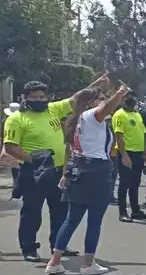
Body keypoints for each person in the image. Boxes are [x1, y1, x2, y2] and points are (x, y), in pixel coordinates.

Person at [3, 79, 98, 261]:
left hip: (57, 171)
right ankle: (29, 248)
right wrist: (34, 159)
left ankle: (58, 244)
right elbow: (10, 147)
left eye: (42, 96)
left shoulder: (53, 109)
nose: (39, 100)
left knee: (60, 210)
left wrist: (97, 85)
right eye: (34, 97)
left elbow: (75, 99)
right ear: (25, 98)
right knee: (32, 212)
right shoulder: (16, 119)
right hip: (34, 173)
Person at [46, 83, 130, 275]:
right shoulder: (92, 116)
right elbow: (106, 108)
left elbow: (69, 150)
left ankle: (55, 261)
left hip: (78, 168)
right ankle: (88, 263)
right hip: (96, 170)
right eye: (101, 98)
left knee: (72, 218)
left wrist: (65, 174)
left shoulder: (74, 119)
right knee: (94, 221)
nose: (104, 102)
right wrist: (120, 92)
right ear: (93, 103)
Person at [111, 92, 146, 223]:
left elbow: (143, 135)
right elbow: (119, 136)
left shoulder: (137, 114)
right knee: (124, 183)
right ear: (122, 100)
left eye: (132, 97)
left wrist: (145, 153)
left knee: (135, 183)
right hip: (126, 153)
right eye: (127, 97)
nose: (131, 100)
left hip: (138, 153)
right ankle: (122, 212)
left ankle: (135, 210)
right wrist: (124, 155)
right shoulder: (119, 115)